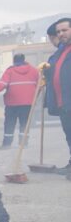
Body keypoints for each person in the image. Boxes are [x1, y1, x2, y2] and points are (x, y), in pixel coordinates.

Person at [0, 53, 39, 148]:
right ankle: (23, 144)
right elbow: (39, 85)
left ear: (14, 61)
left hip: (12, 104)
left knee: (9, 124)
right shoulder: (34, 71)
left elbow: (1, 85)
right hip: (28, 104)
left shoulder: (10, 71)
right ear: (24, 60)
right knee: (25, 124)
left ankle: (7, 144)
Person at [42, 18, 71, 174]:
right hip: (63, 103)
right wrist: (47, 70)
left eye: (64, 30)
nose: (60, 34)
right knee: (69, 135)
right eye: (58, 32)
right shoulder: (61, 51)